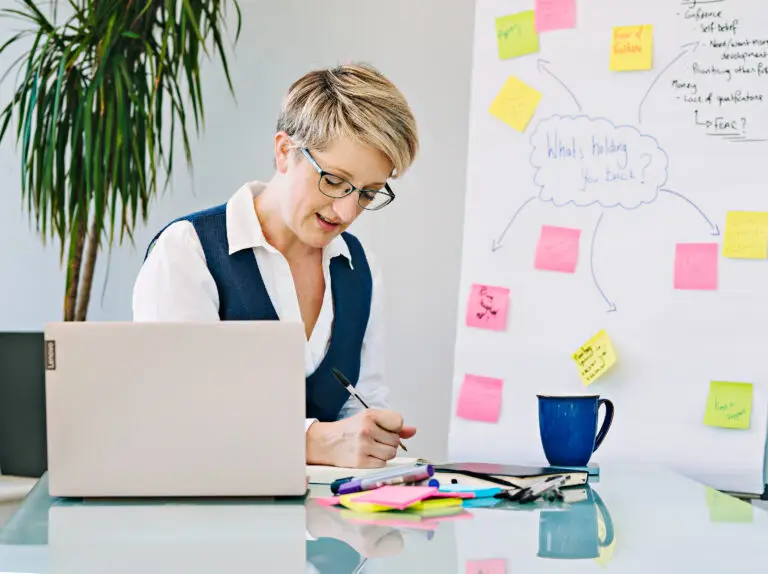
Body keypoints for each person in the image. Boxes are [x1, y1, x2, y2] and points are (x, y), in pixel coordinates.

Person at [132, 62, 419, 469]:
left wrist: (372, 437)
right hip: (206, 519)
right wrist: (311, 441)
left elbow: (358, 405)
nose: (346, 210)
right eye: (334, 181)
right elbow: (174, 419)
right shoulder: (186, 252)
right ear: (285, 151)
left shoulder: (359, 267)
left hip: (326, 525)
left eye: (368, 194)